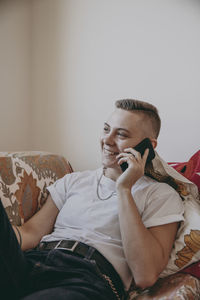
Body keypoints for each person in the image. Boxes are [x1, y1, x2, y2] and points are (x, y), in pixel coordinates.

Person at [0, 99, 184, 300]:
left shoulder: (161, 195)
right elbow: (30, 233)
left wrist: (124, 189)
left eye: (121, 134)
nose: (108, 139)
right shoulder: (74, 181)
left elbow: (145, 275)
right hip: (31, 263)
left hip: (86, 279)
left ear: (148, 146)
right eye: (106, 129)